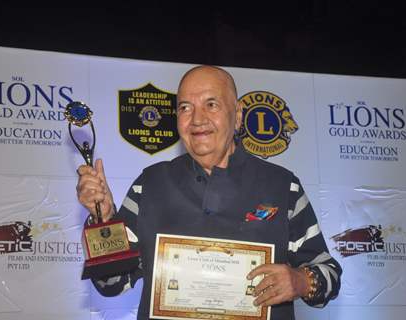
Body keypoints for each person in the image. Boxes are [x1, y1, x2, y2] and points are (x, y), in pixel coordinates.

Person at [76, 65, 342, 319]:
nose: (198, 119)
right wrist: (103, 220)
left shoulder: (283, 186)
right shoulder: (149, 185)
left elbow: (329, 273)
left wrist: (300, 281)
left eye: (211, 105)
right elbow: (112, 284)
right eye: (185, 108)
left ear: (237, 116)